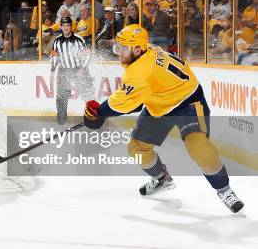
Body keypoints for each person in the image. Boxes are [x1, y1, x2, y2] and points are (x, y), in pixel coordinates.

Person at [83, 24, 244, 213]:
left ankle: (224, 190)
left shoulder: (139, 72)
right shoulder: (146, 49)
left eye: (123, 48)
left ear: (137, 49)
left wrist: (99, 112)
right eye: (119, 47)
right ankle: (161, 178)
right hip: (159, 104)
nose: (119, 52)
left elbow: (122, 104)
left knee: (199, 147)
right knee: (137, 148)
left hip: (188, 102)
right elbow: (135, 100)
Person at [51, 17, 94, 125]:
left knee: (88, 94)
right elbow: (54, 56)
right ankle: (61, 120)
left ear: (71, 26)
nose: (65, 28)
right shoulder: (57, 41)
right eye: (63, 25)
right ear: (61, 27)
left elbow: (87, 54)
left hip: (79, 68)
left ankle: (93, 117)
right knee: (61, 97)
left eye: (68, 25)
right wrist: (53, 69)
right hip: (64, 70)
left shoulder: (79, 39)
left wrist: (82, 68)